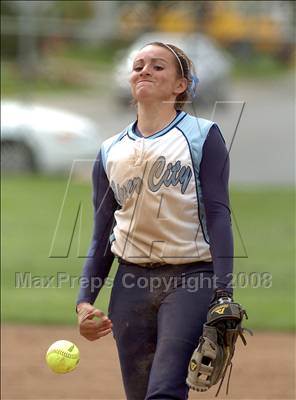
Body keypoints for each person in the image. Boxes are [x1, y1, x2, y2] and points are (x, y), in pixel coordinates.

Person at [76, 42, 234, 400]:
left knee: (164, 391)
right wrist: (84, 301)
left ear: (182, 85)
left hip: (192, 278)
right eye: (138, 65)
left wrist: (224, 291)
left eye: (158, 66)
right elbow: (102, 233)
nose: (144, 70)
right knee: (140, 394)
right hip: (129, 283)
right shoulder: (110, 150)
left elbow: (219, 213)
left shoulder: (201, 135)